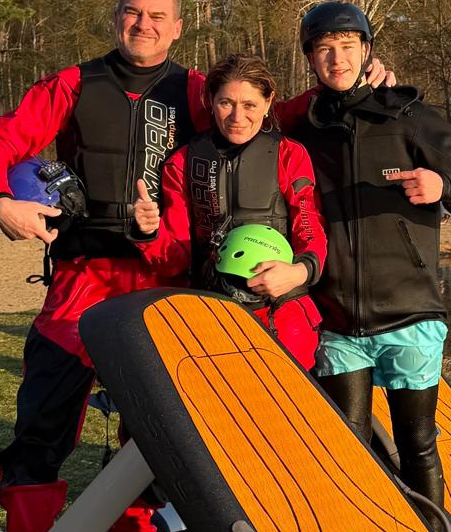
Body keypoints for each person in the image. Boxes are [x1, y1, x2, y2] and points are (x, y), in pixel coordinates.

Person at [0, 0, 208, 532]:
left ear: (179, 26)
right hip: (81, 278)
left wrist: (362, 95)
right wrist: (1, 202)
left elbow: (270, 131)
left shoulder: (201, 96)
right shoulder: (71, 85)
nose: (144, 25)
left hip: (159, 286)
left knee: (146, 437)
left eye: (159, 15)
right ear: (116, 17)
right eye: (133, 12)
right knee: (42, 423)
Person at [276, 0, 451, 516]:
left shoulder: (411, 118)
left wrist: (446, 184)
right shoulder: (301, 126)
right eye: (325, 49)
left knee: (418, 447)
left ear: (368, 50)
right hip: (337, 321)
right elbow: (246, 113)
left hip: (410, 315)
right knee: (348, 455)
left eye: (349, 47)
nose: (338, 59)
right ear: (311, 59)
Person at [132, 52, 327, 370]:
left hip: (283, 311)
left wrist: (299, 272)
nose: (237, 116)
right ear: (210, 100)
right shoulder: (183, 162)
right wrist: (149, 231)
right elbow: (174, 259)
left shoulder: (290, 155)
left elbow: (309, 227)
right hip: (213, 313)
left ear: (267, 103)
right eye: (226, 103)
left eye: (249, 104)